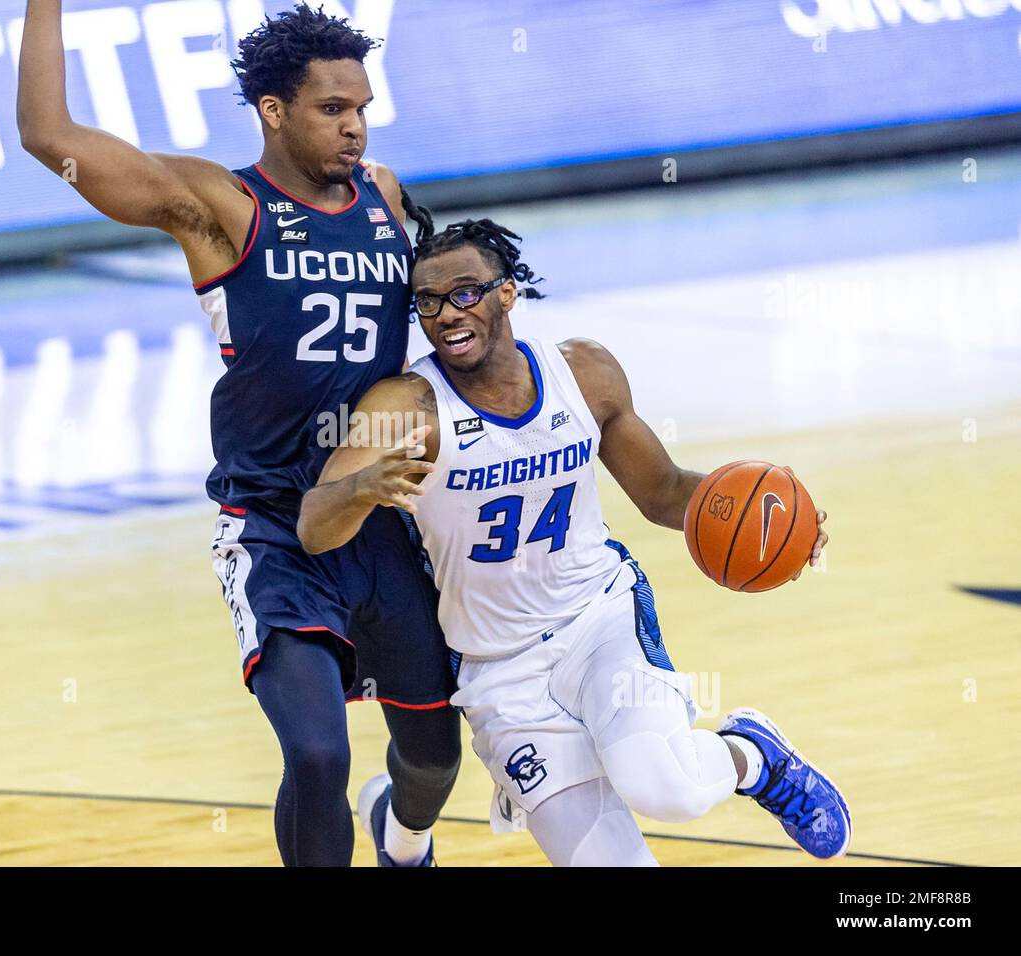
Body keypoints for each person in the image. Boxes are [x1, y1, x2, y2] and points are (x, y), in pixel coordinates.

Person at [17, 1, 460, 866]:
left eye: (362, 108)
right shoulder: (219, 206)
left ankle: (403, 843)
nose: (355, 128)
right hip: (273, 527)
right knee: (318, 753)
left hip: (378, 517)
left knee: (435, 756)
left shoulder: (383, 195)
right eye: (333, 110)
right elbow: (48, 131)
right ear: (273, 110)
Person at [297, 218, 851, 865]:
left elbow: (666, 491)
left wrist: (776, 527)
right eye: (428, 301)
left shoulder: (582, 374)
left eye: (466, 293)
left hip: (599, 623)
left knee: (663, 786)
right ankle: (422, 820)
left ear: (507, 294)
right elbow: (313, 525)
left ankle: (755, 756)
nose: (447, 313)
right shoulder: (408, 407)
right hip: (499, 673)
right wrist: (364, 486)